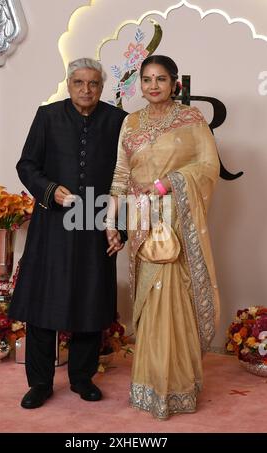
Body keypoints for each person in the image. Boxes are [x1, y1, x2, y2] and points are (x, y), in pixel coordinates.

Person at [9, 58, 127, 409]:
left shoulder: (118, 122)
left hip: (96, 221)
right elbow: (26, 165)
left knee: (90, 301)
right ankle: (40, 383)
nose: (86, 89)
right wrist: (52, 190)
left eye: (93, 83)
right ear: (69, 83)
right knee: (45, 305)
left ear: (102, 87)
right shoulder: (47, 116)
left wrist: (117, 228)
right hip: (53, 226)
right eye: (79, 82)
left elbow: (125, 179)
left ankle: (82, 378)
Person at [106, 55, 220, 419]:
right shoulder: (131, 122)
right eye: (147, 79)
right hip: (141, 223)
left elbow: (207, 167)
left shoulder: (192, 119)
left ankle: (177, 386)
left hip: (176, 220)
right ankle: (149, 382)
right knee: (149, 302)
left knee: (173, 298)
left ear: (176, 84)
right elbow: (120, 178)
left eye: (161, 79)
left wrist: (170, 182)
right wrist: (112, 223)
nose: (153, 86)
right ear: (140, 83)